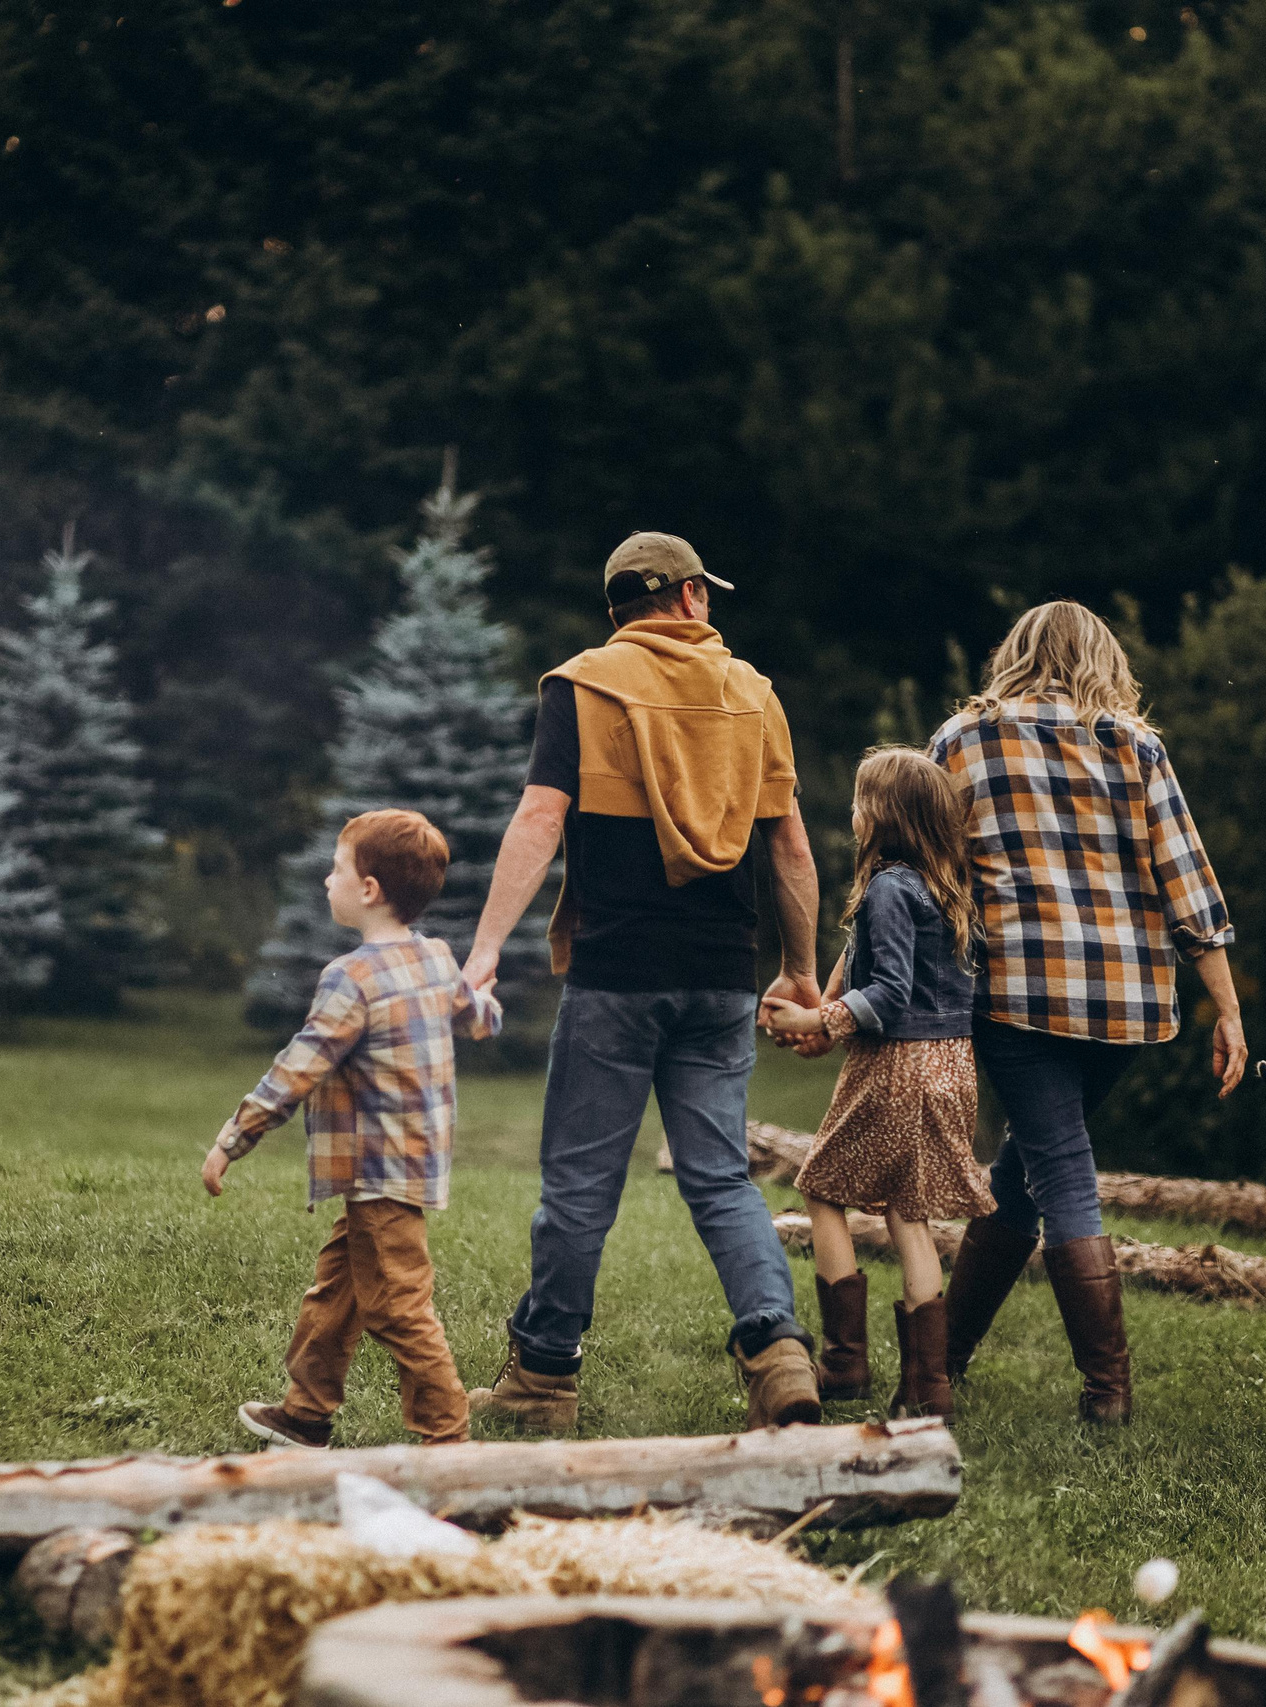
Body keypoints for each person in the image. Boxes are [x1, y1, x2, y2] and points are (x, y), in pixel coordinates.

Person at [459, 531, 825, 1434]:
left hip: (616, 980)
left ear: (620, 607)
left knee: (581, 1185)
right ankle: (777, 1350)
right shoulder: (754, 694)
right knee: (723, 1178)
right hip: (720, 982)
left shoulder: (583, 685)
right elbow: (790, 845)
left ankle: (543, 1375)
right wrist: (803, 970)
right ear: (693, 596)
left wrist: (485, 948)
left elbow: (542, 816)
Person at [926, 601, 1246, 1425]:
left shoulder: (962, 740)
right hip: (1129, 1004)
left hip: (1018, 995)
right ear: (1104, 658)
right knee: (1026, 1171)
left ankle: (1107, 1394)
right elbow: (1188, 882)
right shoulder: (1134, 745)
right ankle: (944, 1359)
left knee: (1055, 1167)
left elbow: (920, 870)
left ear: (1015, 653)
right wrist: (1229, 1010)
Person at [202, 808, 496, 1450]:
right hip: (408, 1166)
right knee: (339, 1289)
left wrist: (234, 1138)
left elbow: (296, 1069)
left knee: (398, 1306)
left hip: (377, 1169)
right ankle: (306, 1414)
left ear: (368, 890)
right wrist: (487, 1006)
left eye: (336, 870)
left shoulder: (352, 977)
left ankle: (449, 1444)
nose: (326, 883)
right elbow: (474, 1012)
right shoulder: (437, 958)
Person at [760, 745, 997, 1422]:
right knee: (907, 1215)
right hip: (950, 1066)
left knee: (821, 1186)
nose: (854, 811)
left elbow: (889, 991)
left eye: (862, 800)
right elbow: (866, 956)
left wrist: (818, 1017)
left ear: (885, 815)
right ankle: (928, 1386)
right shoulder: (943, 884)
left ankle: (845, 1358)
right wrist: (830, 1005)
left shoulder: (890, 887)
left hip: (898, 1068)